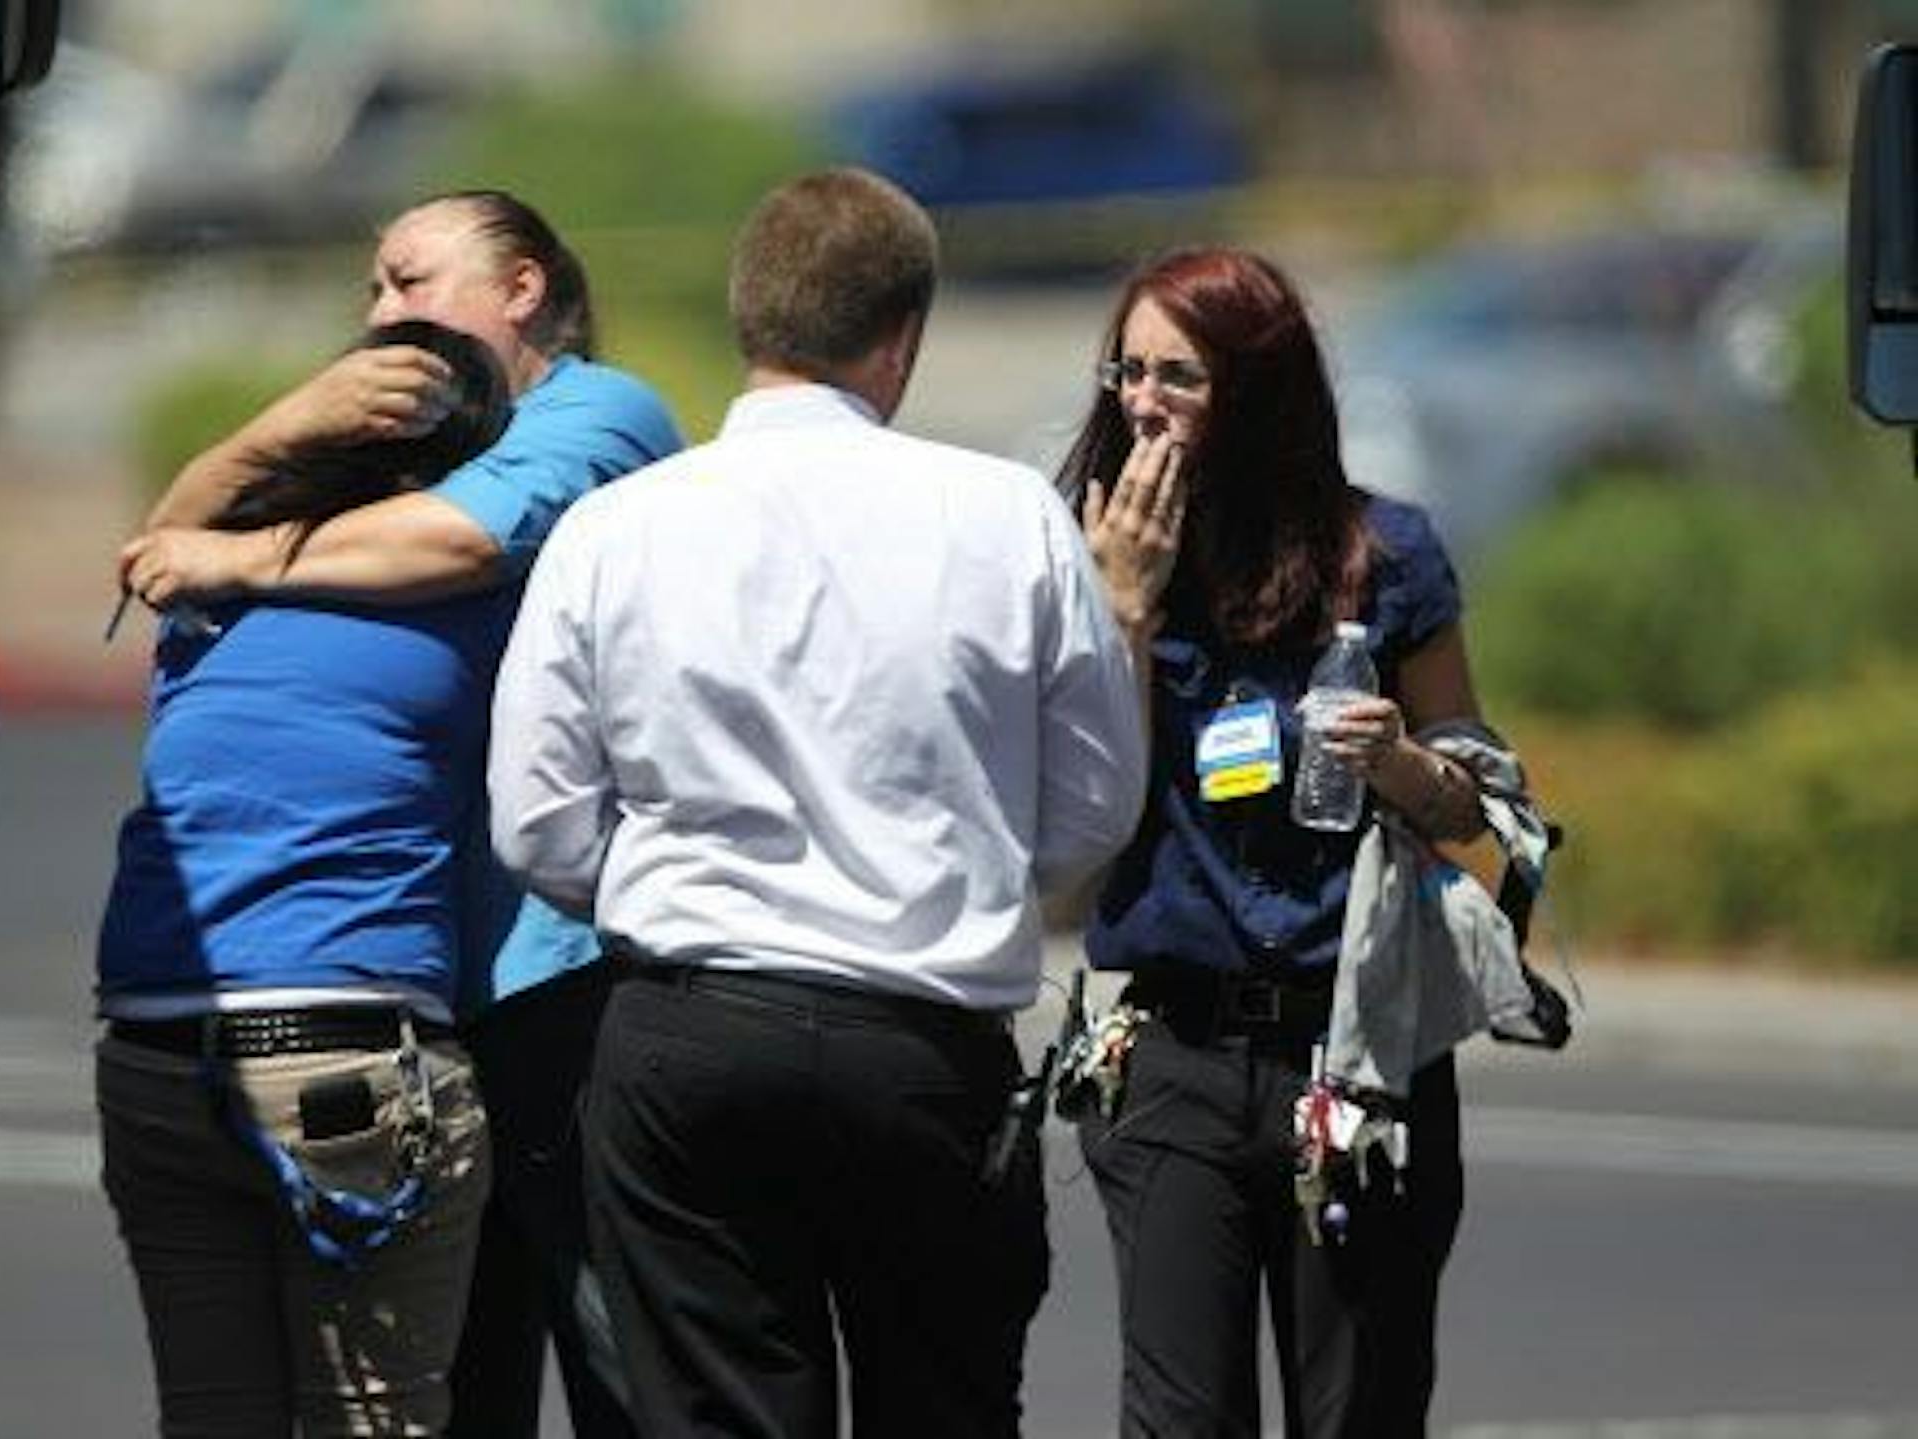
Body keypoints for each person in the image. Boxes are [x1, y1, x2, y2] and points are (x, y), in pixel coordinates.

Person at [487, 167, 1149, 1439]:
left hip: (689, 1027)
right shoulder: (1007, 516)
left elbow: (537, 819)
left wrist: (648, 884)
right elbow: (1091, 808)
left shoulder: (615, 528)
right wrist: (965, 864)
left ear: (751, 320)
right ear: (899, 340)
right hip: (922, 1042)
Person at [115, 189, 679, 1439]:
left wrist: (249, 557)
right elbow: (165, 543)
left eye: (408, 281)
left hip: (560, 983)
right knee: (448, 1385)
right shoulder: (406, 451)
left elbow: (468, 540)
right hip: (422, 996)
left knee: (617, 1363)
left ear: (522, 287)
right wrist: (287, 423)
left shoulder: (597, 412)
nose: (380, 315)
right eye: (371, 289)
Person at [1061, 246, 1492, 1436]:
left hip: (1355, 1052)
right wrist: (1124, 615)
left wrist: (1400, 762)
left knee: (1359, 1407)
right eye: (1127, 371)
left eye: (1179, 377)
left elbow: (1481, 803)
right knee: (1178, 1414)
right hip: (1174, 1051)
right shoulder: (1085, 552)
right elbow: (1078, 806)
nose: (1141, 401)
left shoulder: (1385, 555)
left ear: (1258, 393)